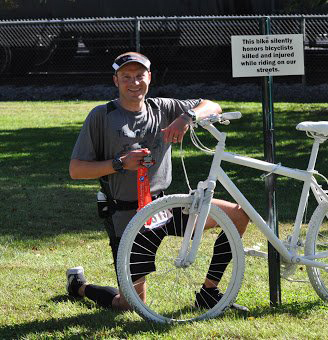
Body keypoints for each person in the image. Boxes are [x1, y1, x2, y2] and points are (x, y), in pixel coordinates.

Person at [66, 51, 249, 312]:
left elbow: (213, 105)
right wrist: (119, 164)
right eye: (126, 77)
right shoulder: (101, 116)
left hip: (164, 206)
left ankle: (208, 292)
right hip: (127, 215)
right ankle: (79, 286)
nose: (134, 82)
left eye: (139, 76)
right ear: (115, 80)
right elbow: (76, 170)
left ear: (149, 78)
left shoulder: (162, 107)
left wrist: (186, 118)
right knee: (130, 305)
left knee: (237, 216)